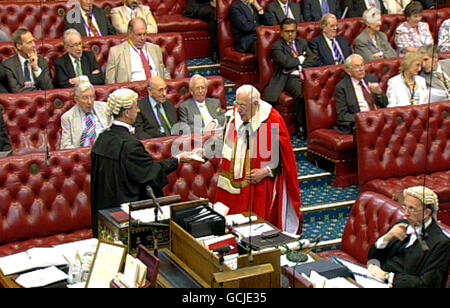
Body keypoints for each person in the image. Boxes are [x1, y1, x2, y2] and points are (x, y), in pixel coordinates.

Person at [90, 88, 197, 238]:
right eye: (135, 107)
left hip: (105, 216)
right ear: (127, 112)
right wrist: (178, 159)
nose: (139, 110)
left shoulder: (102, 139)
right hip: (127, 218)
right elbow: (151, 172)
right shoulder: (129, 145)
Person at [216, 85, 302, 233]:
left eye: (243, 105)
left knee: (258, 230)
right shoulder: (233, 117)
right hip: (232, 186)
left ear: (255, 104)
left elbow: (284, 160)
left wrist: (265, 172)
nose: (239, 109)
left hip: (260, 187)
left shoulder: (271, 120)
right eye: (237, 103)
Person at [367, 186, 450, 288]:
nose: (405, 214)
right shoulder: (402, 225)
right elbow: (373, 258)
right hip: (374, 280)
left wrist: (387, 276)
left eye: (411, 209)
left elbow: (427, 283)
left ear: (427, 213)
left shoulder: (440, 243)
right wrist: (387, 238)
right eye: (404, 207)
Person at [262, 18, 316, 139]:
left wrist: (299, 64)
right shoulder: (277, 46)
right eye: (287, 31)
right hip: (288, 77)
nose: (290, 34)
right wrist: (301, 59)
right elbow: (285, 63)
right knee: (301, 94)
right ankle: (302, 127)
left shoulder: (302, 43)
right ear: (281, 32)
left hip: (306, 74)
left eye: (293, 31)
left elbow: (312, 59)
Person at [334, 54, 388, 134]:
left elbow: (385, 103)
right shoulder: (342, 87)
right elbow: (343, 115)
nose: (361, 69)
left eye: (362, 65)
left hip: (377, 117)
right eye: (356, 67)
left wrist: (379, 93)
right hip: (361, 122)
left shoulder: (371, 78)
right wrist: (363, 118)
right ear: (348, 71)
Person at [105, 17, 169, 84]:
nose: (142, 38)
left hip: (156, 91)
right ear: (129, 33)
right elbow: (110, 82)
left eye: (144, 34)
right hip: (130, 92)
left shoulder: (155, 49)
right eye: (139, 35)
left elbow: (164, 74)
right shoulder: (116, 52)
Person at [60, 80, 111, 149]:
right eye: (85, 98)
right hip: (84, 154)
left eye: (92, 97)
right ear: (76, 99)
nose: (89, 102)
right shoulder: (67, 117)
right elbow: (65, 146)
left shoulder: (105, 107)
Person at [2, 28, 53, 93]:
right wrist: (39, 91)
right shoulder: (8, 65)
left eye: (33, 41)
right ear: (19, 46)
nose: (34, 45)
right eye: (29, 42)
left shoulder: (42, 62)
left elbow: (49, 89)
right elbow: (16, 91)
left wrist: (36, 69)